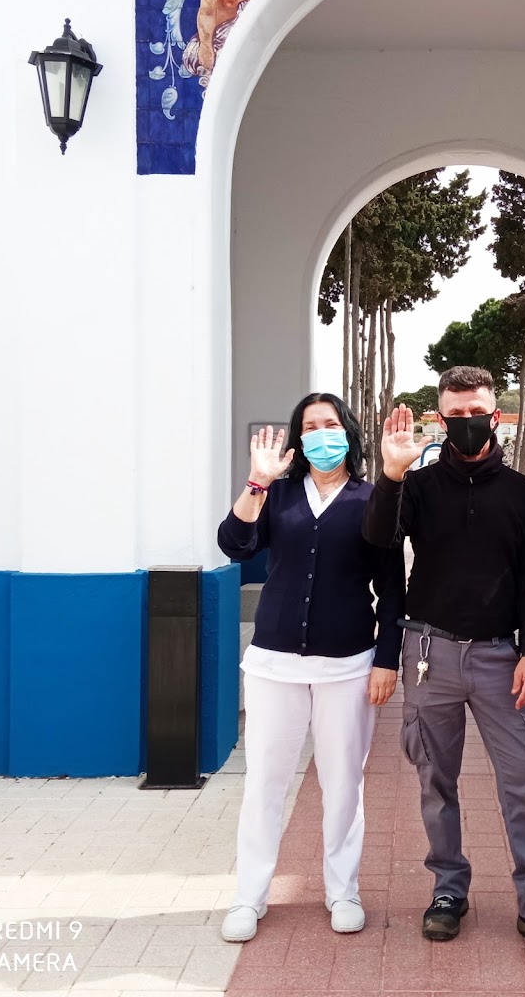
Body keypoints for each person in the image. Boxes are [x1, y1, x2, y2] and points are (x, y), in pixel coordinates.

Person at [362, 366, 525, 965]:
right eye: (454, 415)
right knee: (434, 779)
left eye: (476, 411)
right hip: (428, 654)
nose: (466, 423)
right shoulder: (418, 487)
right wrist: (391, 473)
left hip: (500, 658)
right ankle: (448, 891)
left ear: (496, 413)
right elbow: (378, 539)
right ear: (441, 417)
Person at [216, 392, 405, 943]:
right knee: (265, 784)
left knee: (344, 783)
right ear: (299, 439)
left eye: (331, 424)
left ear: (347, 431)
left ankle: (342, 890)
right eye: (310, 426)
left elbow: (393, 590)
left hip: (347, 665)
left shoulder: (373, 499)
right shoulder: (277, 496)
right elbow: (234, 545)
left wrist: (387, 660)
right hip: (273, 664)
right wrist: (256, 482)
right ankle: (249, 896)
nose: (322, 434)